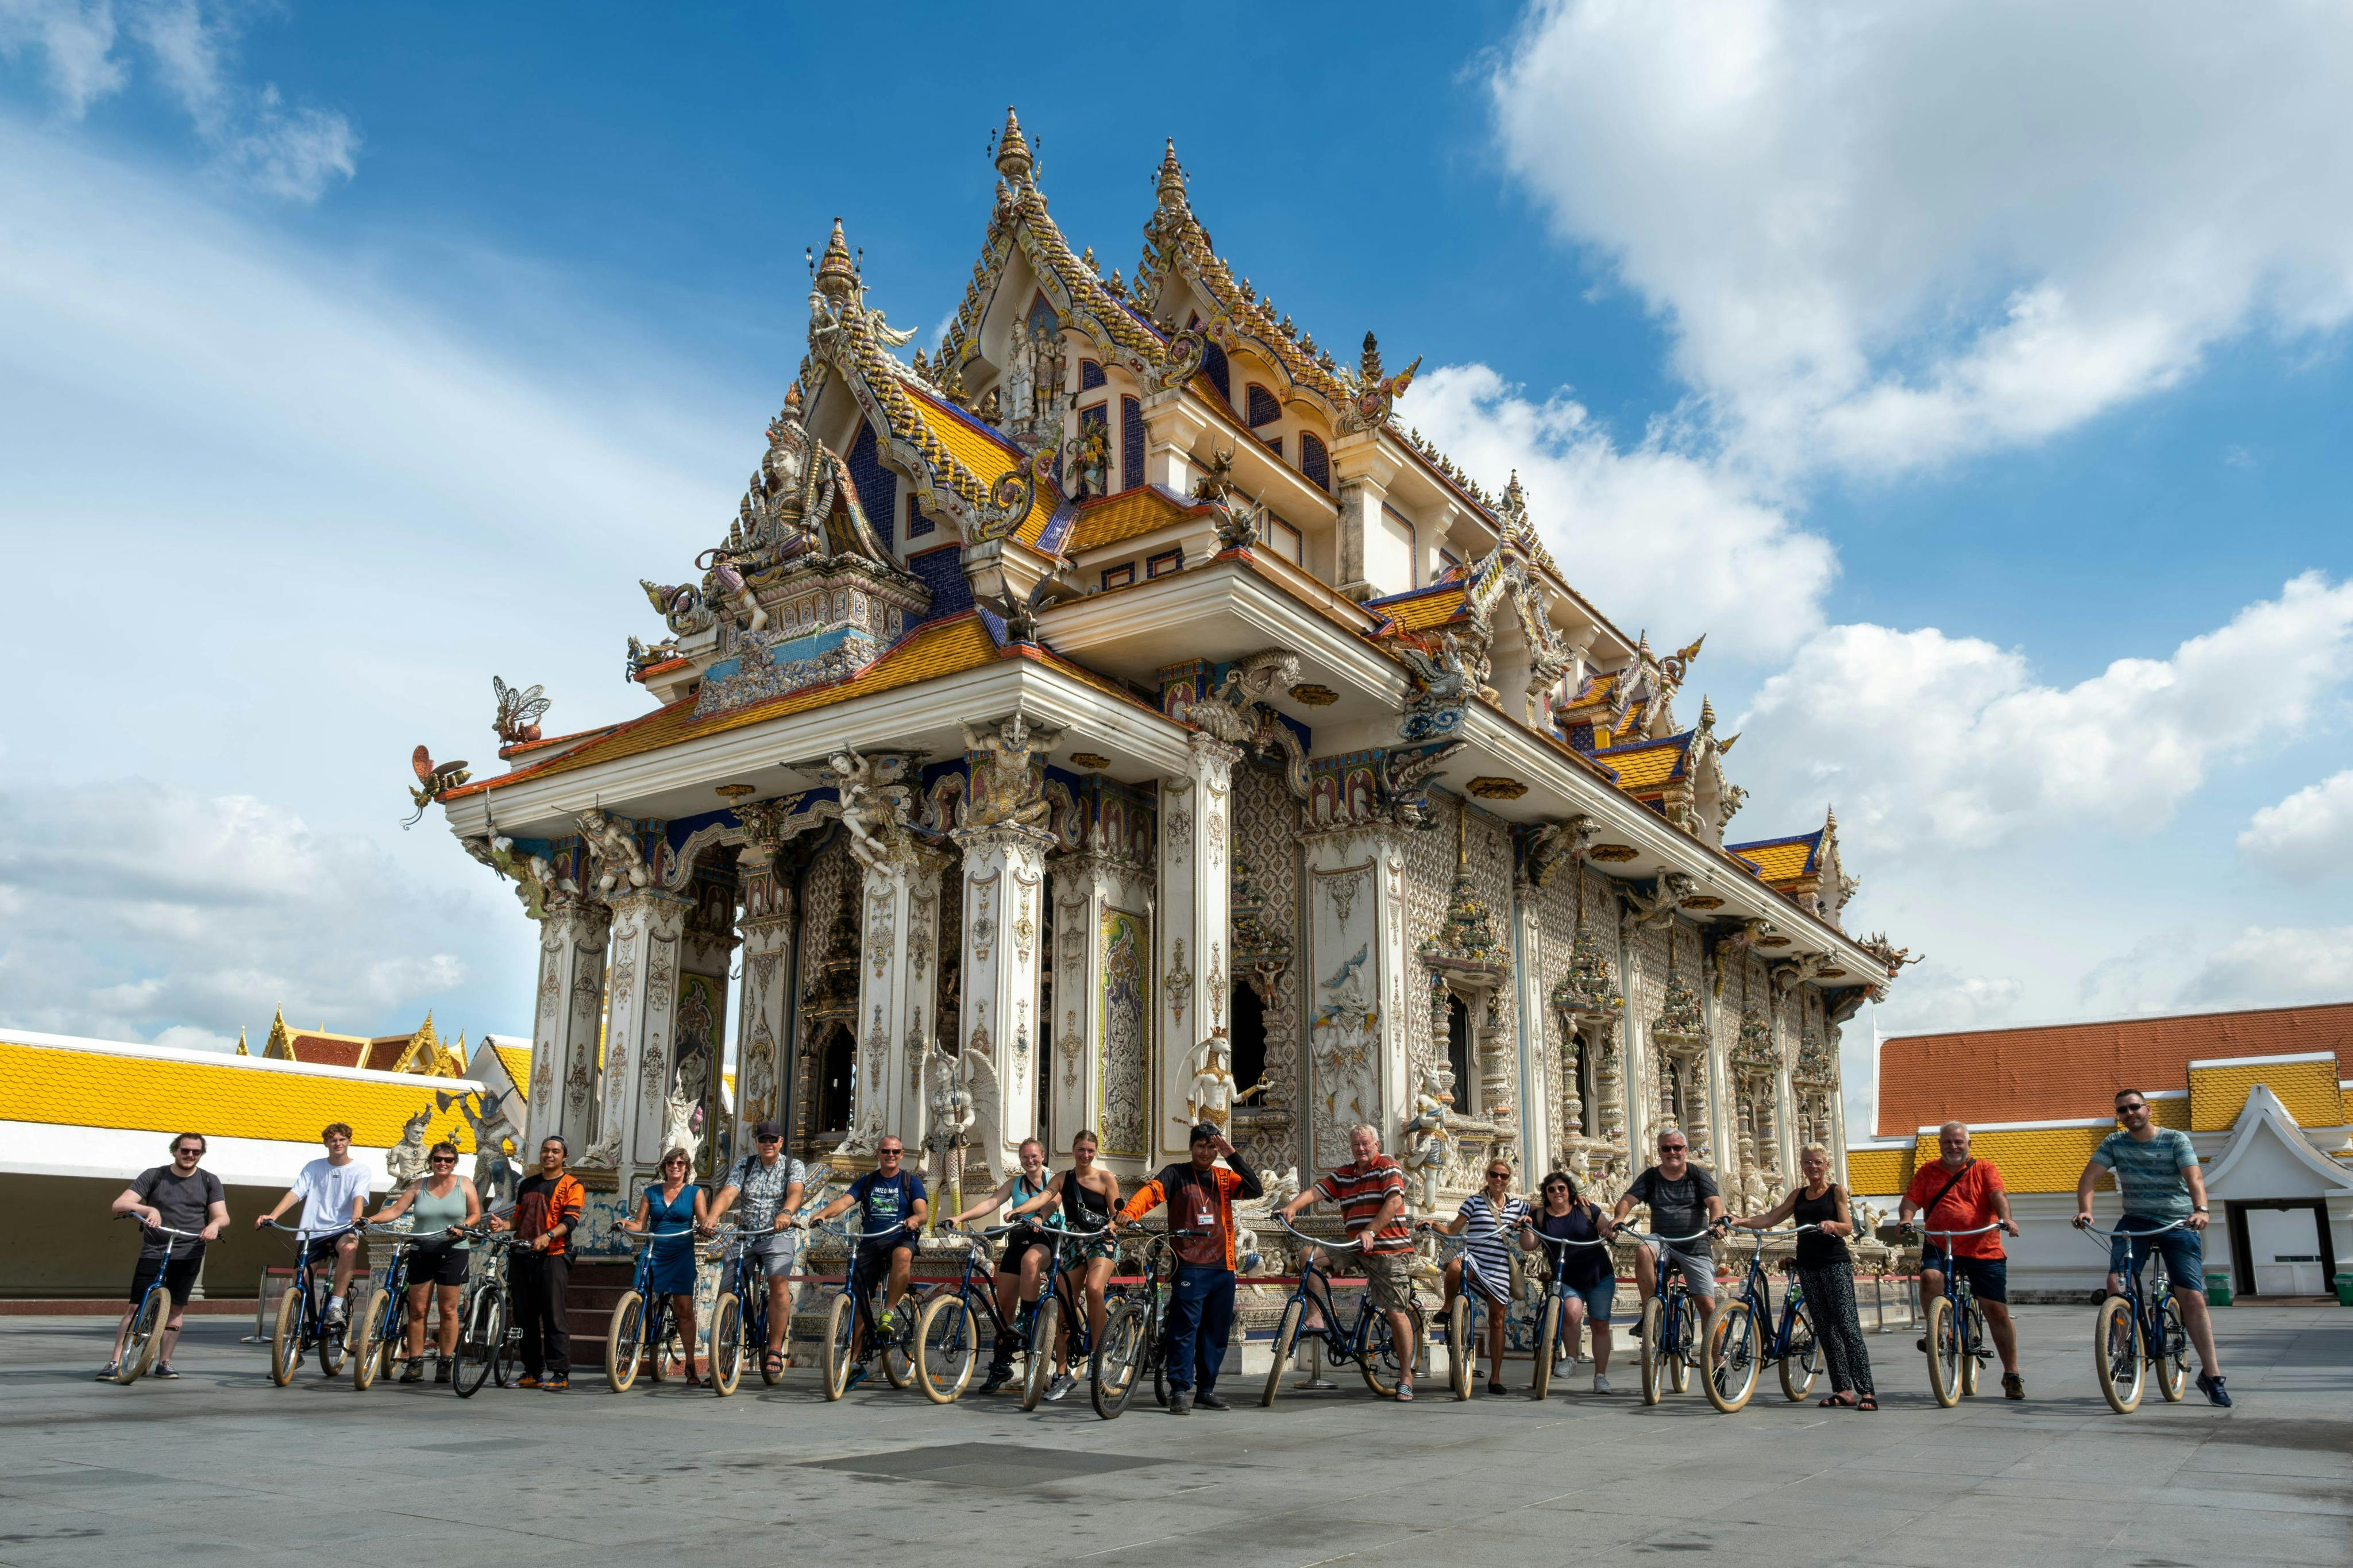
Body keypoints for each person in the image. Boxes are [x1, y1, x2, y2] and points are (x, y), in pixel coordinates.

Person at [2074, 1087, 2228, 1407]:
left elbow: (2194, 1177)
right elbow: (2088, 1179)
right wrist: (2086, 1210)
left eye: (2134, 1108)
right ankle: (2124, 1353)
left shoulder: (2175, 1140)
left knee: (2192, 1297)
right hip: (2136, 1222)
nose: (2129, 1114)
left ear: (2148, 1109)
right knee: (2117, 1283)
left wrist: (2201, 1210)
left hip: (2177, 1221)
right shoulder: (2114, 1143)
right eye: (2123, 1111)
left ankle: (2212, 1376)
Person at [1116, 1123, 1261, 1413]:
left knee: (1216, 1331)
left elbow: (1255, 1189)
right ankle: (1180, 1389)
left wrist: (1231, 1154)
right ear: (1191, 1147)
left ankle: (1206, 1390)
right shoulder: (1175, 1173)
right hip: (1190, 1263)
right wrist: (1128, 1213)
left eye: (1211, 1147)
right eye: (1200, 1147)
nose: (1205, 1153)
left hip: (1223, 1265)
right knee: (1186, 1330)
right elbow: (1149, 1194)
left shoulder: (1224, 1176)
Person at [1279, 1122, 1420, 1401]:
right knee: (1309, 1256)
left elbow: (1393, 1203)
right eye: (1356, 1144)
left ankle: (1406, 1376)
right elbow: (1317, 1192)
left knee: (1395, 1312)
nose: (1361, 1149)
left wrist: (1371, 1230)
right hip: (1355, 1246)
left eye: (1366, 1143)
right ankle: (1316, 1315)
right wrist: (1292, 1207)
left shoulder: (1387, 1165)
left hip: (1387, 1249)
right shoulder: (1344, 1174)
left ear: (1377, 1144)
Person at [1736, 1142, 1874, 1409]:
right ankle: (1844, 1390)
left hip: (1835, 1264)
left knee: (1847, 1326)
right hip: (1808, 1265)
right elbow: (1771, 1218)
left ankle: (1866, 1390)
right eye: (1808, 1162)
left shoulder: (1837, 1192)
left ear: (1826, 1165)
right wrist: (1740, 1221)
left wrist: (1833, 1225)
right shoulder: (1798, 1195)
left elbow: (1847, 1227)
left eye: (1818, 1162)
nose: (1813, 1167)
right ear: (1801, 1166)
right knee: (1825, 1329)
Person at [1900, 1121, 2023, 1399]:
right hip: (1940, 1242)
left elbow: (1997, 1195)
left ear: (1969, 1144)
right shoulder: (1928, 1170)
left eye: (1958, 1142)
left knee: (1995, 1311)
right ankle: (1939, 1332)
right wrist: (1907, 1219)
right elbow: (1911, 1199)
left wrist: (2006, 1218)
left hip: (1983, 1245)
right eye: (1947, 1142)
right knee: (1931, 1278)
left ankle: (2012, 1374)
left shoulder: (1984, 1168)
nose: (1953, 1147)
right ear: (1940, 1144)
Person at [1005, 1129, 1123, 1402]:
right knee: (1059, 1305)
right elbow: (1043, 1199)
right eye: (1081, 1150)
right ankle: (1061, 1373)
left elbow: (1117, 1215)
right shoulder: (1063, 1178)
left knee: (1094, 1290)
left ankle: (1097, 1353)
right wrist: (1021, 1211)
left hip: (1098, 1241)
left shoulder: (1106, 1178)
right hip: (1072, 1242)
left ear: (1096, 1152)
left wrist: (1110, 1227)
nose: (1085, 1155)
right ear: (1073, 1150)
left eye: (1090, 1151)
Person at [801, 1135, 927, 1392]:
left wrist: (915, 1219)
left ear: (902, 1154)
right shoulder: (868, 1182)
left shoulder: (910, 1182)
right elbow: (844, 1201)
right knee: (858, 1301)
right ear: (878, 1154)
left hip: (899, 1237)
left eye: (895, 1152)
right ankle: (856, 1362)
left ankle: (890, 1311)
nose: (890, 1155)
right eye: (885, 1151)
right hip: (870, 1241)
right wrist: (823, 1214)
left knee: (903, 1256)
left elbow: (923, 1211)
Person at [103, 1133, 229, 1381]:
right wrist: (149, 1208)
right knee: (135, 1307)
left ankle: (165, 1362)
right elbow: (120, 1204)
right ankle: (114, 1361)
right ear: (174, 1151)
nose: (190, 1156)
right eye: (185, 1151)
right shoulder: (154, 1175)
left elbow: (222, 1215)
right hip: (155, 1249)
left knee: (177, 1309)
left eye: (196, 1152)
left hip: (191, 1250)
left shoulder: (208, 1180)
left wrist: (214, 1226)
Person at [944, 1137, 1056, 1395]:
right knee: (1004, 1308)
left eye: (1034, 1156)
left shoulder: (1053, 1180)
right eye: (1025, 1157)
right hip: (1018, 1239)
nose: (1030, 1161)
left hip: (1046, 1239)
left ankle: (1028, 1319)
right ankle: (1001, 1364)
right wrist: (959, 1218)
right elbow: (991, 1203)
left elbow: (1052, 1204)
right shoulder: (1014, 1184)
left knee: (1031, 1262)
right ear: (1020, 1159)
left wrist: (1037, 1216)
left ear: (1043, 1155)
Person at [365, 1141, 482, 1382]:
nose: (442, 1164)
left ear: (455, 1163)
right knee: (418, 1310)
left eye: (448, 1160)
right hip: (422, 1248)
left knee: (448, 1310)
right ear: (431, 1162)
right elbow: (396, 1211)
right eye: (438, 1159)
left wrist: (464, 1227)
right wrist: (370, 1220)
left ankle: (445, 1362)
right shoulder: (419, 1185)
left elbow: (475, 1215)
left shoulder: (465, 1184)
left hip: (453, 1250)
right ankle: (414, 1363)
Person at [705, 1119, 807, 1381]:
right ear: (757, 1142)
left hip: (777, 1235)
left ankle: (774, 1348)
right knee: (728, 1291)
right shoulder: (745, 1165)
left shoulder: (792, 1166)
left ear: (781, 1142)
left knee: (778, 1282)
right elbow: (729, 1193)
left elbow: (796, 1192)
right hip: (746, 1236)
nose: (769, 1144)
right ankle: (724, 1358)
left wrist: (786, 1212)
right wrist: (712, 1217)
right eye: (764, 1139)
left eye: (773, 1139)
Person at [1422, 1158, 1529, 1395]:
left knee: (1497, 1321)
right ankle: (1449, 1305)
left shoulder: (1518, 1207)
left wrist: (1528, 1221)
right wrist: (1432, 1223)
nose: (1498, 1179)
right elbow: (1452, 1231)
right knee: (1455, 1268)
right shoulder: (1473, 1202)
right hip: (1475, 1257)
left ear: (1509, 1180)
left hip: (1499, 1264)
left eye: (1503, 1176)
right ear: (1487, 1176)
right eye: (1494, 1174)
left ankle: (1496, 1378)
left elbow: (1539, 1218)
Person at [254, 1122, 371, 1334]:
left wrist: (356, 1218)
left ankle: (335, 1305)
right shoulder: (313, 1166)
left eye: (342, 1139)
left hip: (343, 1227)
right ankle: (292, 1337)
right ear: (326, 1143)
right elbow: (297, 1192)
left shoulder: (360, 1170)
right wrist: (273, 1215)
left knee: (349, 1248)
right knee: (300, 1283)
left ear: (349, 1142)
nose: (338, 1143)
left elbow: (359, 1196)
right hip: (313, 1230)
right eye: (333, 1140)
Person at [1613, 1129, 1725, 1336]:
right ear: (1659, 1152)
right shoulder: (1651, 1177)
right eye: (1666, 1148)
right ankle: (1650, 1313)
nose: (1672, 1152)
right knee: (1644, 1250)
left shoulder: (1698, 1175)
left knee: (1707, 1306)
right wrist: (1619, 1218)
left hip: (1694, 1244)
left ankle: (1718, 1363)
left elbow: (1715, 1203)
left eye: (1677, 1148)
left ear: (1686, 1150)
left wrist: (1715, 1224)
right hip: (1662, 1241)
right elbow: (1627, 1201)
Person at [497, 1136, 584, 1391]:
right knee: (524, 1316)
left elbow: (570, 1222)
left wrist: (547, 1236)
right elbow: (518, 1218)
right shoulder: (528, 1184)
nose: (549, 1155)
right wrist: (504, 1226)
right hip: (522, 1254)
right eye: (545, 1150)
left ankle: (560, 1372)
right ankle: (532, 1371)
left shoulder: (572, 1185)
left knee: (554, 1314)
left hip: (554, 1256)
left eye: (555, 1152)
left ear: (564, 1157)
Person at [1519, 1169, 1617, 1393]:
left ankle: (1600, 1376)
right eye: (1551, 1189)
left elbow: (1608, 1228)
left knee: (1600, 1324)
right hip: (1566, 1276)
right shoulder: (1540, 1216)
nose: (1557, 1193)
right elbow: (1528, 1245)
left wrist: (1609, 1232)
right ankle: (1571, 1358)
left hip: (1598, 1274)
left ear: (1569, 1190)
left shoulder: (1586, 1209)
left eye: (1561, 1188)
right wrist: (1526, 1226)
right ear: (1546, 1193)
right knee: (1572, 1313)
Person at [620, 1147, 709, 1383]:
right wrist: (624, 1224)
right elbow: (640, 1224)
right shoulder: (651, 1192)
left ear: (686, 1168)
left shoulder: (695, 1192)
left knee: (683, 1309)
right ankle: (627, 1351)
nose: (675, 1166)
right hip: (655, 1249)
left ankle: (690, 1364)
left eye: (680, 1163)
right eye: (671, 1163)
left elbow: (702, 1221)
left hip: (681, 1252)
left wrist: (706, 1227)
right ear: (664, 1167)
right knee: (639, 1295)